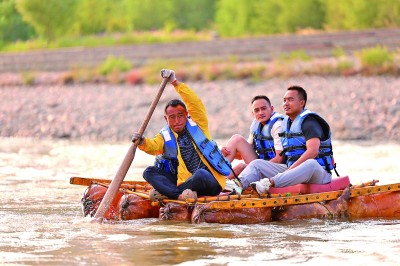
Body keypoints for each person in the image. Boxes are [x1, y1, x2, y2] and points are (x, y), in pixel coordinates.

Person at [131, 69, 231, 201]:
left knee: (200, 174)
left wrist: (175, 82)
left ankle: (169, 193)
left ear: (186, 115)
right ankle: (178, 195)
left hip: (209, 181)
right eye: (172, 117)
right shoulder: (165, 135)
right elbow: (153, 146)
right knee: (148, 172)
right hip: (184, 184)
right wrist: (142, 141)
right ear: (166, 119)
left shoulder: (199, 125)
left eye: (180, 116)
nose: (177, 121)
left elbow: (195, 103)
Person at [230, 85, 335, 195]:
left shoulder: (310, 122)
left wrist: (291, 170)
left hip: (318, 173)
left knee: (310, 164)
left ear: (301, 103)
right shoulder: (286, 124)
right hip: (290, 169)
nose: (286, 103)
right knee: (257, 164)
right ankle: (238, 185)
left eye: (290, 100)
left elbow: (313, 152)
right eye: (284, 100)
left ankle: (268, 183)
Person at [221, 95, 285, 180]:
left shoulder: (277, 125)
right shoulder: (256, 125)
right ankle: (219, 174)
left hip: (277, 168)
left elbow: (279, 159)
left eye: (264, 108)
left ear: (272, 109)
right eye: (257, 110)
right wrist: (226, 152)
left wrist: (254, 167)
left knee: (242, 167)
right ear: (253, 113)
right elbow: (241, 156)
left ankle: (219, 184)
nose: (260, 113)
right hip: (260, 163)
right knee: (236, 139)